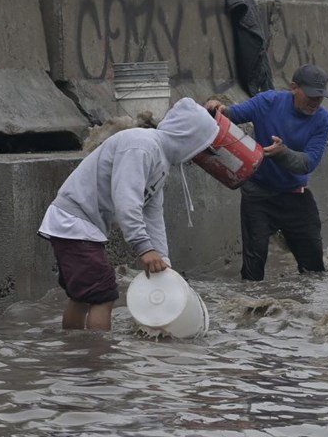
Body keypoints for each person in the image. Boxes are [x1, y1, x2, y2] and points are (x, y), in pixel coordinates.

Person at [37, 97, 219, 330]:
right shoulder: (141, 145)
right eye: (201, 144)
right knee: (103, 294)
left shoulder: (160, 162)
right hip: (74, 222)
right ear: (187, 137)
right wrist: (144, 248)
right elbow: (127, 201)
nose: (200, 153)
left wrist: (162, 259)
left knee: (82, 295)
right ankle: (98, 359)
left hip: (81, 225)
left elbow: (152, 213)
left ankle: (75, 354)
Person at [205, 64, 328, 281]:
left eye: (320, 97)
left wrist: (282, 153)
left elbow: (308, 162)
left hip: (296, 196)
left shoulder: (323, 120)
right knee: (253, 270)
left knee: (314, 269)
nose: (315, 102)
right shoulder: (268, 102)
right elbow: (231, 116)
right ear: (294, 87)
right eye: (311, 95)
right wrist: (216, 107)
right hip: (258, 195)